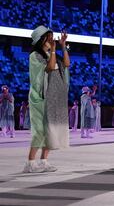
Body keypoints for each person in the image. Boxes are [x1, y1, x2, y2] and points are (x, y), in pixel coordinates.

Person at [24, 26, 70, 173]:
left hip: (52, 97)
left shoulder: (51, 54)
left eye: (52, 37)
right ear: (41, 40)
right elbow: (50, 67)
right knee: (39, 131)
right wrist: (54, 50)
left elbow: (67, 64)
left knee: (50, 130)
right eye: (48, 37)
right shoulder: (35, 56)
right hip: (39, 97)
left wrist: (62, 46)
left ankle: (44, 161)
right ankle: (30, 163)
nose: (51, 40)